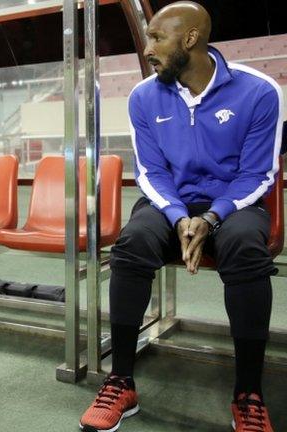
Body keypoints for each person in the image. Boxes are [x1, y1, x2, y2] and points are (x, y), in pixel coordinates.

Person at [79, 2, 282, 432]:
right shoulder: (144, 95)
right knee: (132, 244)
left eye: (157, 38)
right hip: (170, 203)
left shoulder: (260, 91)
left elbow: (258, 173)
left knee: (246, 248)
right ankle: (121, 381)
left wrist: (212, 217)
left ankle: (248, 394)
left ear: (190, 39)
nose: (149, 49)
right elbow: (150, 171)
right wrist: (177, 216)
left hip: (235, 203)